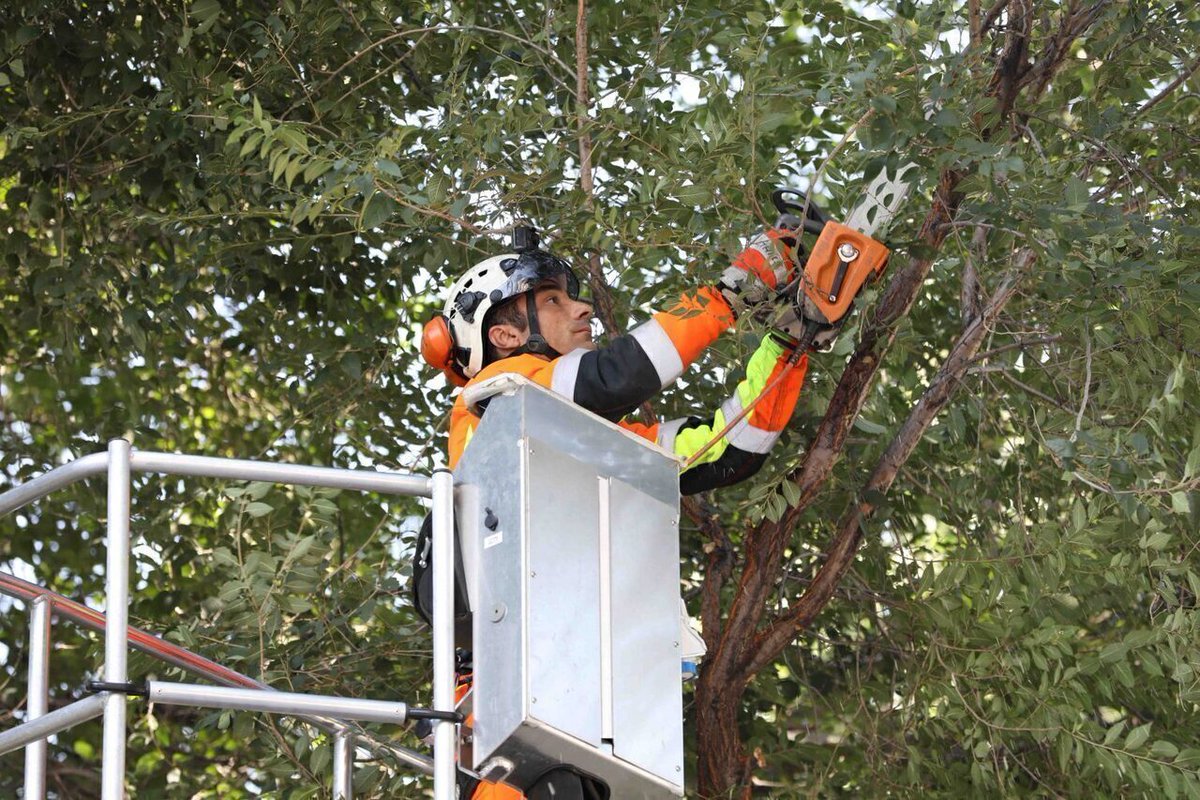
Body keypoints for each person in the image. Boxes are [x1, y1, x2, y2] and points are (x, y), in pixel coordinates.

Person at [418, 226, 817, 800]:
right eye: (552, 300)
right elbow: (613, 377)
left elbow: (726, 450)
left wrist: (791, 342)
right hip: (510, 719)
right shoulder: (495, 392)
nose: (580, 307)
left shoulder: (592, 441)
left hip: (581, 708)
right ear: (503, 334)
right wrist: (731, 294)